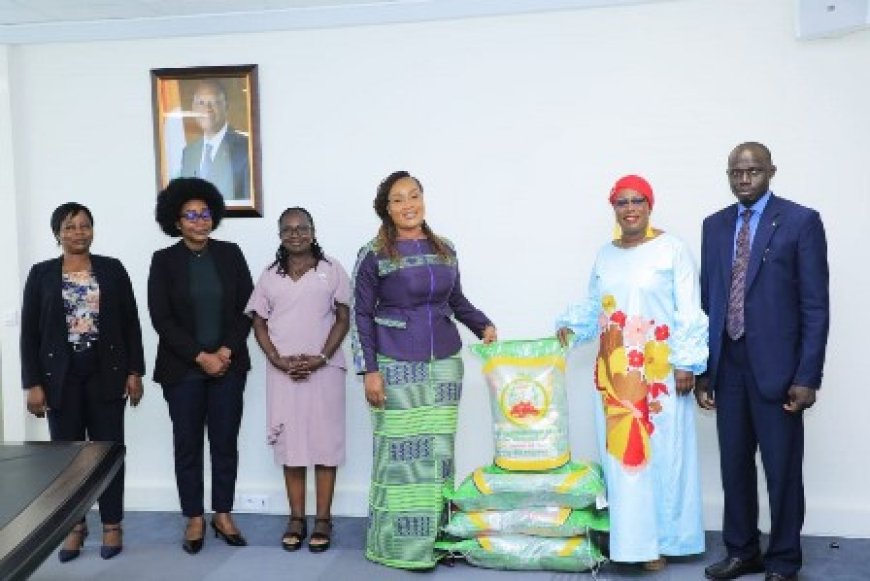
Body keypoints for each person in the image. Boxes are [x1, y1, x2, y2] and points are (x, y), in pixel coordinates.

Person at [555, 175, 707, 571]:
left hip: (660, 375)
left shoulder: (672, 249)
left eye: (637, 200)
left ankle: (666, 539)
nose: (630, 208)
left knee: (665, 458)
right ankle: (636, 545)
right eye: (621, 202)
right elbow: (597, 305)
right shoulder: (605, 255)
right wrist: (573, 326)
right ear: (614, 209)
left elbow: (689, 309)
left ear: (650, 204)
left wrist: (686, 362)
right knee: (625, 462)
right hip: (615, 378)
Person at [696, 142, 829, 581]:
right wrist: (704, 371)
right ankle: (742, 550)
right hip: (728, 365)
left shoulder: (800, 222)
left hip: (779, 370)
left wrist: (807, 376)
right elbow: (708, 302)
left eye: (752, 171)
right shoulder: (714, 226)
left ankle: (784, 559)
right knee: (734, 466)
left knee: (782, 469)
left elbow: (814, 306)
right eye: (736, 172)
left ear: (771, 170)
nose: (744, 179)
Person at [351, 170, 497, 569]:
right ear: (386, 208)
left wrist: (482, 324)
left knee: (437, 456)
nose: (408, 205)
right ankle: (396, 547)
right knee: (398, 457)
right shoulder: (373, 254)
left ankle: (436, 540)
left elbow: (457, 299)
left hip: (444, 365)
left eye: (413, 195)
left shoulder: (445, 248)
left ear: (423, 199)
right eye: (397, 199)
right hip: (396, 364)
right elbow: (360, 315)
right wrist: (370, 371)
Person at [20, 202, 145, 562]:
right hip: (59, 379)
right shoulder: (41, 273)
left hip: (107, 375)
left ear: (93, 229)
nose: (78, 232)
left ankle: (111, 525)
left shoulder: (112, 269)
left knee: (107, 454)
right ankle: (73, 527)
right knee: (68, 459)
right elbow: (29, 334)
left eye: (85, 225)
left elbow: (130, 324)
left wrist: (134, 372)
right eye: (70, 226)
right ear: (57, 233)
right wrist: (33, 384)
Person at [147, 177, 254, 554]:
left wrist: (224, 352)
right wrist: (201, 356)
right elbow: (161, 318)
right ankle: (194, 517)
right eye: (190, 216)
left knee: (225, 443)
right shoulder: (164, 261)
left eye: (205, 214)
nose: (199, 221)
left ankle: (222, 513)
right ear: (176, 222)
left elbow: (247, 309)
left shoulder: (231, 253)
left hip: (228, 365)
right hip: (183, 370)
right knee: (187, 445)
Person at [246, 207, 351, 553]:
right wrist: (277, 359)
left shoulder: (331, 270)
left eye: (302, 228)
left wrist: (320, 358)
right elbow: (258, 322)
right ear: (280, 235)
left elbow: (342, 318)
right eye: (288, 229)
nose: (295, 234)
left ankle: (323, 519)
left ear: (313, 230)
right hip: (284, 372)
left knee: (324, 445)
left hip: (324, 369)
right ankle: (296, 518)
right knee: (291, 447)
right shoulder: (269, 276)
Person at [179, 79, 250, 201]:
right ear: (193, 108)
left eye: (215, 102)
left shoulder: (245, 148)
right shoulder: (188, 152)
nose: (208, 109)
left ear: (226, 107)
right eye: (201, 103)